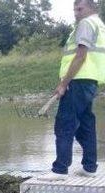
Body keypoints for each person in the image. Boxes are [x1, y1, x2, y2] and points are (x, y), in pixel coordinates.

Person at [51, 0, 105, 178]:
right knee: (85, 125)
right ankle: (90, 167)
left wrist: (63, 83)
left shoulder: (86, 23)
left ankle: (60, 170)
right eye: (74, 9)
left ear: (91, 8)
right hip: (90, 81)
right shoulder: (99, 25)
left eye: (80, 8)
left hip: (78, 80)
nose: (76, 12)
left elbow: (80, 55)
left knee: (65, 123)